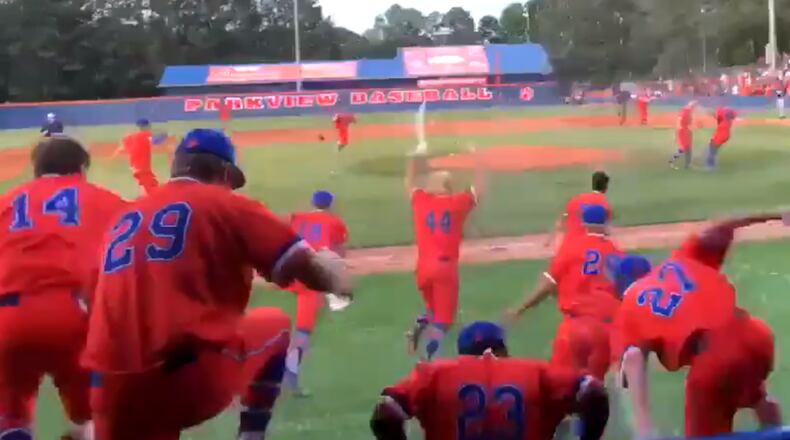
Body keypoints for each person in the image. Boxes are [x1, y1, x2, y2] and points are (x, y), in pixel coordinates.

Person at [82, 128, 354, 440]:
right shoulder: (227, 205)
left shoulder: (122, 218)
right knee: (275, 326)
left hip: (108, 389)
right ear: (224, 172)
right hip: (183, 380)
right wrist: (337, 275)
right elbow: (309, 271)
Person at [0, 136, 127, 440]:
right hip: (72, 314)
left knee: (12, 415)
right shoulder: (101, 198)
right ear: (81, 168)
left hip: (8, 316)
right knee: (94, 416)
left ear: (36, 169)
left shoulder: (7, 201)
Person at [615, 214, 784, 439]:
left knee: (701, 436)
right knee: (755, 394)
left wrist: (644, 429)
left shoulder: (629, 305)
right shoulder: (680, 259)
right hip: (755, 334)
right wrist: (775, 216)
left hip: (715, 358)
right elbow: (721, 226)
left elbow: (633, 358)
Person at [370, 321, 610, 440]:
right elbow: (594, 393)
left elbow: (386, 411)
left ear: (462, 354)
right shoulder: (536, 372)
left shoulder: (434, 374)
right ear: (502, 349)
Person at [506, 205, 622, 380]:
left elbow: (548, 285)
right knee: (594, 391)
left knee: (560, 384)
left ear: (584, 223)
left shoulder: (571, 247)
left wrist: (520, 309)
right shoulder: (616, 253)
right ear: (605, 224)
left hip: (574, 327)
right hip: (604, 330)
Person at [404, 150, 486, 361]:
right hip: (444, 268)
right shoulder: (457, 203)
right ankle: (429, 361)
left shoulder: (421, 201)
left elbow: (409, 183)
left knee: (433, 308)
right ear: (449, 187)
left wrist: (413, 160)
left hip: (422, 267)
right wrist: (478, 161)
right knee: (444, 321)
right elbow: (479, 190)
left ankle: (419, 326)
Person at [284, 190, 349, 397]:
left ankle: (291, 366)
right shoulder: (334, 221)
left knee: (306, 327)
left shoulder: (299, 218)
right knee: (303, 331)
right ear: (330, 204)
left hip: (297, 275)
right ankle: (290, 374)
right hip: (313, 279)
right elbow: (339, 253)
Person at [545, 171, 611, 248]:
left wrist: (549, 241)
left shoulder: (575, 199)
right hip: (587, 247)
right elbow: (605, 231)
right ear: (606, 187)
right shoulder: (604, 204)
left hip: (568, 245)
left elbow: (561, 221)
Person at [114, 119, 168, 195]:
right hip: (142, 169)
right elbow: (156, 141)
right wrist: (164, 135)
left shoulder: (131, 136)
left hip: (136, 167)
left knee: (152, 186)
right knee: (153, 191)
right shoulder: (146, 135)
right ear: (147, 126)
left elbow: (122, 147)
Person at [669, 100, 698, 170]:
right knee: (683, 149)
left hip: (687, 132)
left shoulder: (689, 111)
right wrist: (678, 131)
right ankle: (672, 161)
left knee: (688, 148)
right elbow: (679, 121)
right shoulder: (685, 111)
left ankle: (688, 164)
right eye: (694, 106)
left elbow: (688, 122)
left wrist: (690, 128)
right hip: (683, 132)